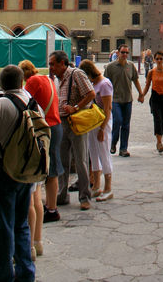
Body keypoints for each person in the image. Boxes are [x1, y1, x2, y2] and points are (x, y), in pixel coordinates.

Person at [0, 64, 40, 282]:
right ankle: (26, 273)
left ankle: (2, 276)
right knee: (21, 223)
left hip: (4, 169)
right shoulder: (32, 101)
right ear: (22, 82)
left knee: (0, 227)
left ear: (0, 84)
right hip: (27, 170)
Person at [18, 59, 63, 232]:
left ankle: (50, 208)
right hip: (56, 125)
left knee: (45, 168)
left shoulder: (33, 81)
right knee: (53, 167)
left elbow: (23, 102)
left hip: (47, 127)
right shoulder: (47, 79)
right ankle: (51, 206)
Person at [49, 51, 95, 210]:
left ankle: (84, 196)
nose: (51, 67)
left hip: (75, 122)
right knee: (62, 160)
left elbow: (91, 94)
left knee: (81, 160)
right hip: (61, 123)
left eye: (53, 64)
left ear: (63, 63)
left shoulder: (76, 74)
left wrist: (75, 107)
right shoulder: (57, 78)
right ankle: (62, 194)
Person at [79, 60, 114, 201]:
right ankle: (96, 186)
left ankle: (108, 187)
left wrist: (102, 128)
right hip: (93, 123)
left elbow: (108, 108)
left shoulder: (105, 84)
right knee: (93, 153)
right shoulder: (94, 84)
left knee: (104, 154)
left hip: (102, 123)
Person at [104, 42, 144, 157]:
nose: (125, 54)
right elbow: (105, 84)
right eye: (123, 52)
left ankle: (123, 149)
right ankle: (113, 142)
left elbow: (135, 80)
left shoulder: (130, 66)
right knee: (117, 121)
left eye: (127, 53)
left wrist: (141, 94)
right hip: (115, 100)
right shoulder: (110, 67)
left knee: (126, 125)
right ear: (118, 53)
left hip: (127, 100)